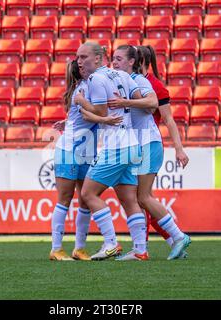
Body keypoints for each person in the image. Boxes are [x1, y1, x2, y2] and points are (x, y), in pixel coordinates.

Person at [109, 45, 191, 260]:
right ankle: (151, 246)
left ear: (134, 61)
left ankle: (176, 237)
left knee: (142, 197)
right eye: (113, 59)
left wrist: (179, 149)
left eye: (119, 59)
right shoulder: (127, 81)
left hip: (148, 143)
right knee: (140, 198)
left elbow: (159, 111)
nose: (114, 63)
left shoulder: (144, 82)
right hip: (139, 145)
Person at [74, 42, 148, 261]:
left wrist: (81, 101)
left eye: (84, 57)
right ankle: (140, 249)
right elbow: (136, 98)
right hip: (131, 143)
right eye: (78, 57)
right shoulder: (119, 74)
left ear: (98, 58)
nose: (79, 61)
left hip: (116, 145)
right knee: (128, 199)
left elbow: (100, 110)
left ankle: (111, 243)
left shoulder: (96, 78)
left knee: (88, 194)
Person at [50, 60, 123, 261]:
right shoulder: (82, 90)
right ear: (81, 71)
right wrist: (107, 120)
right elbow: (88, 115)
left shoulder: (86, 87)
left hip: (85, 151)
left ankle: (79, 248)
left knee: (84, 199)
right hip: (69, 150)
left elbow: (82, 115)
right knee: (64, 199)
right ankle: (56, 249)